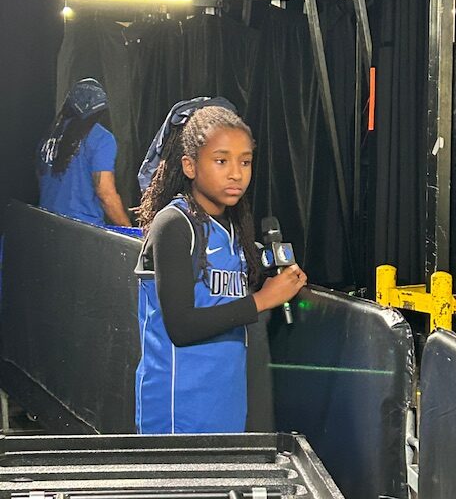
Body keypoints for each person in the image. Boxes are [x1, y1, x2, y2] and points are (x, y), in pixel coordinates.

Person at [134, 96, 307, 434]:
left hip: (225, 402)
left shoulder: (233, 230)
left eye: (245, 162)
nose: (235, 174)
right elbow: (181, 328)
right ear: (190, 166)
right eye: (221, 161)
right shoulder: (173, 224)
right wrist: (264, 299)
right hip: (177, 409)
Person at [37, 78, 130, 227]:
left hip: (46, 225)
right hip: (82, 232)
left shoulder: (50, 136)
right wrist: (131, 233)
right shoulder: (102, 138)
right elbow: (105, 194)